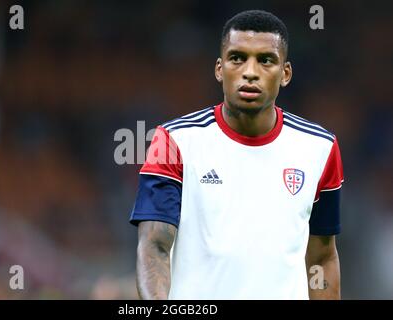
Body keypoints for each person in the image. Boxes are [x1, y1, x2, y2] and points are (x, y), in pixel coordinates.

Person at [129, 10, 344, 300]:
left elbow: (321, 258)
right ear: (220, 69)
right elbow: (154, 247)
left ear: (286, 73)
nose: (250, 71)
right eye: (237, 58)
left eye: (265, 60)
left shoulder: (320, 148)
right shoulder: (173, 142)